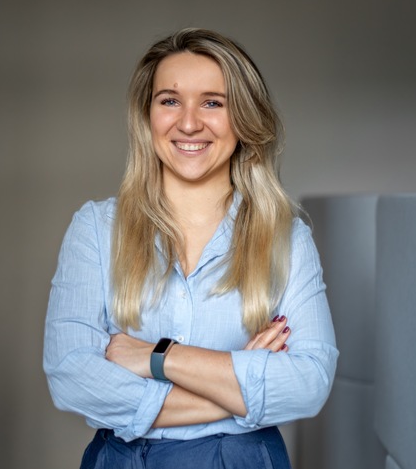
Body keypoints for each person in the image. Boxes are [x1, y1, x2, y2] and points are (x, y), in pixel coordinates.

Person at [43, 28, 338, 468]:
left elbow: (308, 384)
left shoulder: (286, 238)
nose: (188, 123)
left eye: (212, 103)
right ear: (147, 115)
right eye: (170, 100)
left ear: (244, 118)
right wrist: (237, 381)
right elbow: (72, 378)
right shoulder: (96, 230)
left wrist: (157, 357)